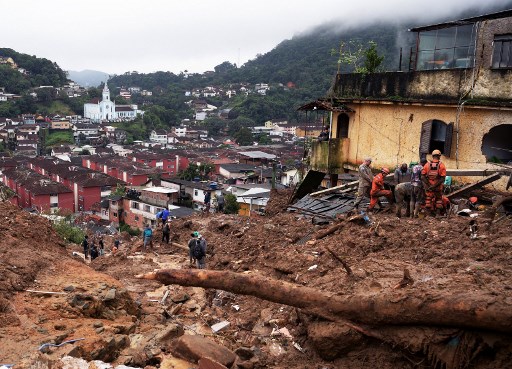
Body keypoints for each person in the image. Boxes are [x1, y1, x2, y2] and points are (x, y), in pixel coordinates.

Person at [421, 149, 447, 216]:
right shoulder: (442, 165)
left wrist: (429, 185)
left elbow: (423, 176)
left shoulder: (427, 165)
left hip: (429, 187)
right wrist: (434, 186)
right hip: (437, 187)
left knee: (428, 200)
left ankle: (429, 215)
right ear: (439, 156)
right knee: (438, 200)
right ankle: (437, 214)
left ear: (432, 156)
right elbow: (442, 178)